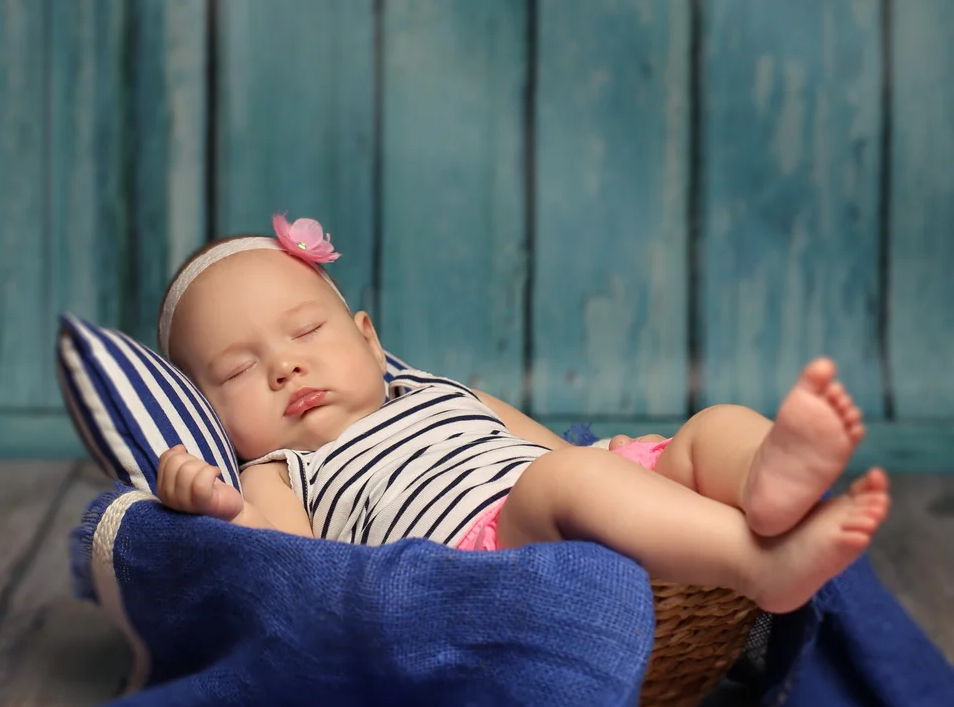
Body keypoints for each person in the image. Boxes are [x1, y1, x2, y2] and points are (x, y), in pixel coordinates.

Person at [154, 214, 890, 615]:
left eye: (307, 331)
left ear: (370, 341)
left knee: (708, 426)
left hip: (572, 493)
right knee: (563, 483)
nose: (285, 367)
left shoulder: (442, 393)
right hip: (478, 563)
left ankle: (764, 480)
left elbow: (545, 449)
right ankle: (760, 567)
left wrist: (626, 459)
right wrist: (221, 507)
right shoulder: (282, 471)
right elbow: (293, 571)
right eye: (238, 371)